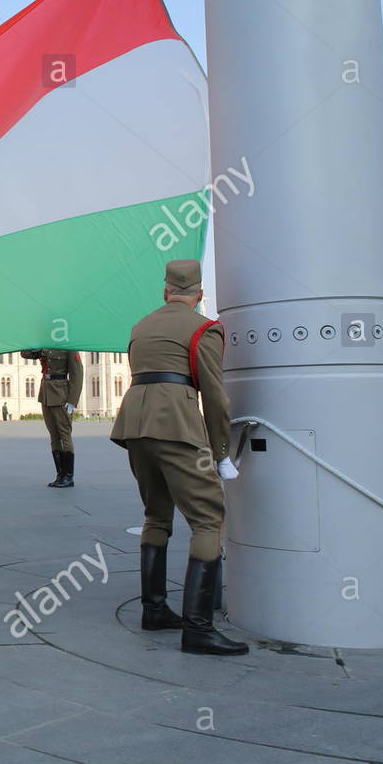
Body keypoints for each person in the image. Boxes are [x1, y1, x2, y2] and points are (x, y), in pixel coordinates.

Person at [110, 259, 247, 656]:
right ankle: (199, 629)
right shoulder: (204, 327)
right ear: (199, 295)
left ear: (164, 291)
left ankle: (154, 611)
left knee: (156, 516)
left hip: (134, 425)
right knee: (208, 519)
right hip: (177, 426)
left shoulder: (142, 326)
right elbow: (214, 395)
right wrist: (221, 451)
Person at [19, 347, 84, 487]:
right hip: (46, 393)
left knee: (64, 434)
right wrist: (35, 346)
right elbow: (24, 354)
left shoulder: (69, 347)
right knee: (54, 435)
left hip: (61, 394)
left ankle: (68, 476)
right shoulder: (45, 344)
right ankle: (60, 474)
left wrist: (72, 400)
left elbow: (77, 374)